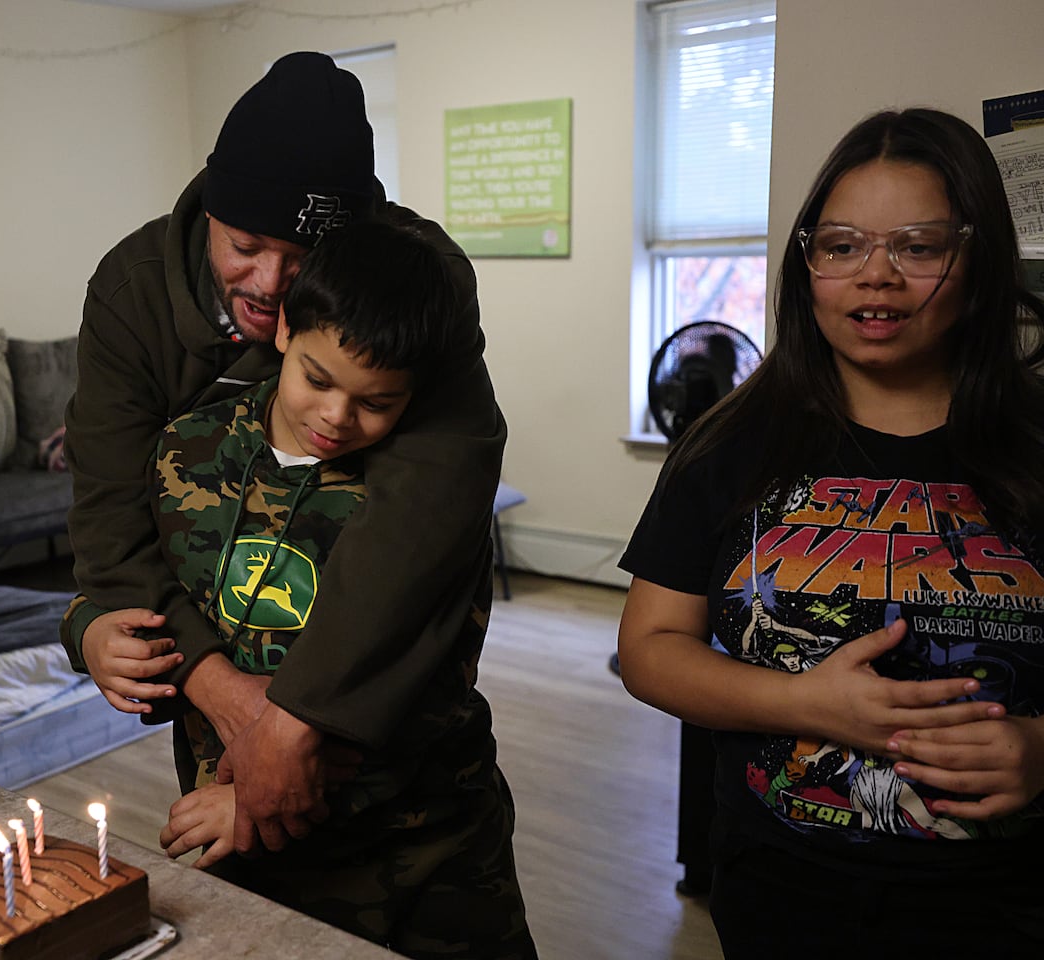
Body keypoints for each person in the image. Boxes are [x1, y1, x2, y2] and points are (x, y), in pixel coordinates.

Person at [616, 106, 1044, 955]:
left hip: (1003, 903)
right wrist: (805, 703)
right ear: (807, 261)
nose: (874, 276)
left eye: (918, 247)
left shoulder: (1034, 446)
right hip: (781, 889)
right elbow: (649, 647)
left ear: (978, 260)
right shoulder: (729, 444)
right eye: (842, 245)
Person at [60, 52, 504, 855]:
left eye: (303, 261)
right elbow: (112, 527)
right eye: (246, 245)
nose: (271, 284)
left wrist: (294, 719)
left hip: (411, 794)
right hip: (226, 764)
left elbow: (427, 518)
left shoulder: (419, 280)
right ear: (208, 219)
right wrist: (227, 698)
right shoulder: (133, 294)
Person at [146, 220, 533, 959]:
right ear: (286, 325)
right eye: (318, 380)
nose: (336, 417)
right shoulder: (189, 450)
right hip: (256, 855)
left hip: (429, 849)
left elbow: (427, 698)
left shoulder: (417, 504)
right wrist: (88, 631)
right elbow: (154, 600)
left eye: (377, 403)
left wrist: (255, 803)